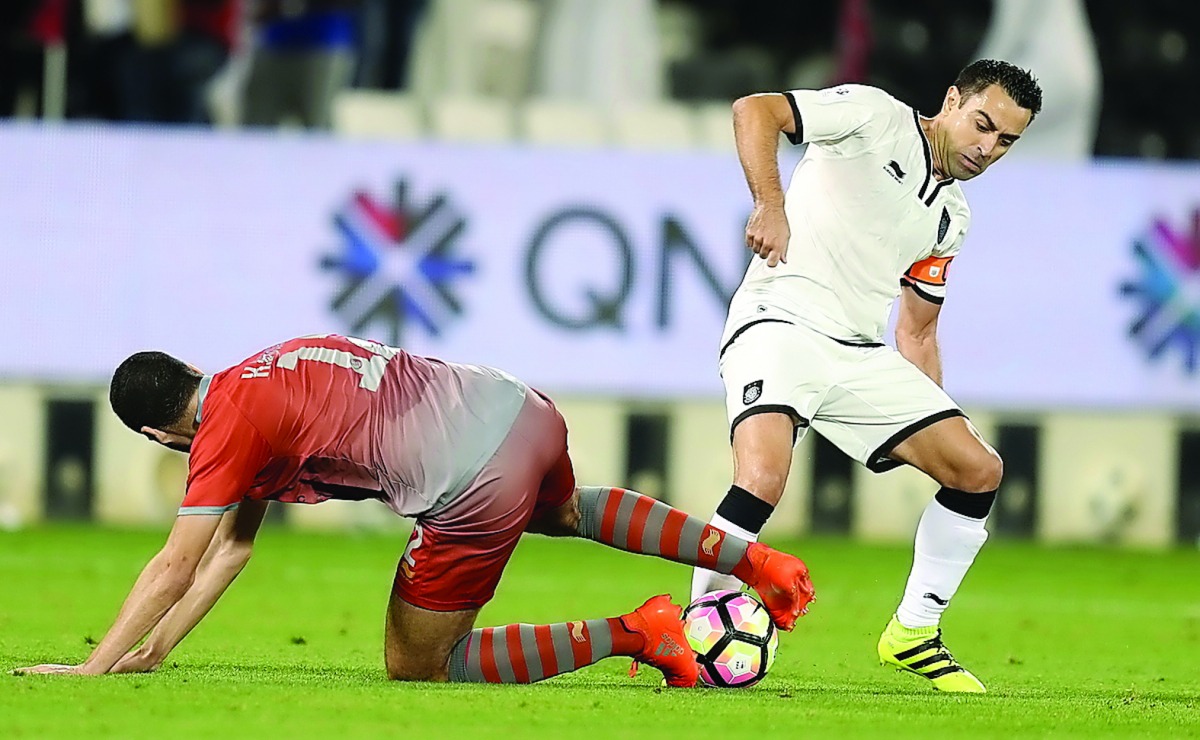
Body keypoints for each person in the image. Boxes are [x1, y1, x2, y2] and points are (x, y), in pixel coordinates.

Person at [14, 334, 814, 685]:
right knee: (566, 511)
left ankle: (640, 631)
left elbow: (179, 560)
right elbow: (230, 551)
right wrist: (154, 653)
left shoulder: (222, 433)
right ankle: (753, 559)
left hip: (471, 478)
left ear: (159, 433)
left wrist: (93, 665)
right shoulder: (256, 374)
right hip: (520, 406)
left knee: (420, 663)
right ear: (194, 363)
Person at [688, 59, 1042, 693]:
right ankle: (698, 635)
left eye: (1006, 141)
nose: (988, 149)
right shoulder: (874, 117)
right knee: (763, 478)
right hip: (780, 322)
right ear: (952, 99)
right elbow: (755, 108)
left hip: (856, 352)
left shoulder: (951, 217)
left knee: (977, 470)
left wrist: (932, 420)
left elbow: (918, 332)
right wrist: (771, 205)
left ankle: (914, 631)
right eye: (982, 125)